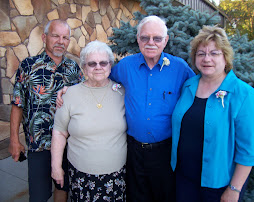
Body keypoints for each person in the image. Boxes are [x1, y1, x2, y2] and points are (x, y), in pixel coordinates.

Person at [57, 15, 195, 201]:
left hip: (165, 151)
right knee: (136, 197)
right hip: (133, 152)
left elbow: (199, 90)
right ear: (138, 39)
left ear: (166, 40)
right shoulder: (126, 66)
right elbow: (99, 75)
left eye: (157, 38)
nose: (150, 42)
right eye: (145, 37)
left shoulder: (180, 68)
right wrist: (71, 90)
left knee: (165, 197)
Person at [171, 25, 254, 202]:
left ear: (225, 57)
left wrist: (234, 189)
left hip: (219, 186)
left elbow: (248, 150)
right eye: (201, 53)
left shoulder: (243, 94)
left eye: (214, 53)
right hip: (184, 179)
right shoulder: (189, 85)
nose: (207, 59)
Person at [9, 19, 83, 202]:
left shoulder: (73, 68)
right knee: (39, 195)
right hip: (39, 144)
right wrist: (14, 139)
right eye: (55, 36)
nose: (61, 41)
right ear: (44, 37)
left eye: (65, 37)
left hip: (67, 143)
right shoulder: (28, 66)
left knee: (62, 187)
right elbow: (18, 104)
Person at [51, 40, 127, 201]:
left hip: (117, 176)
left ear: (110, 65)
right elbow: (59, 132)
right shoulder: (69, 95)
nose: (98, 67)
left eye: (103, 63)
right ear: (84, 68)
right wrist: (56, 167)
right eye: (92, 63)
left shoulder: (123, 92)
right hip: (81, 177)